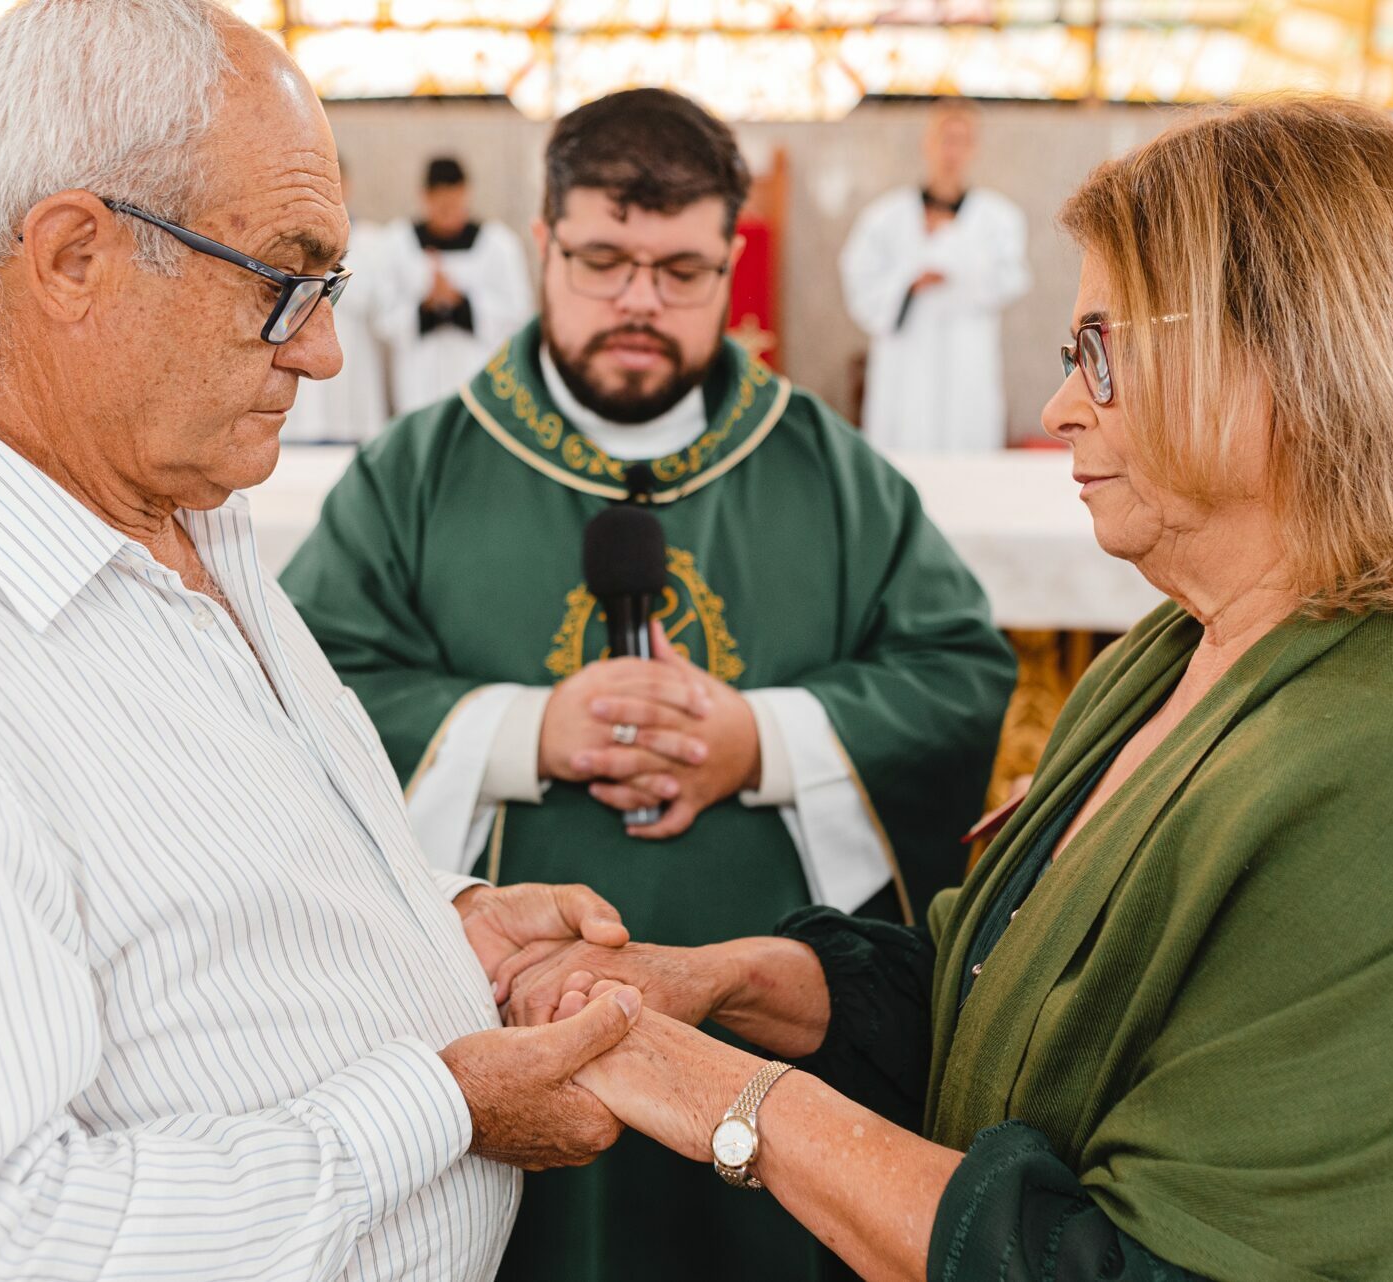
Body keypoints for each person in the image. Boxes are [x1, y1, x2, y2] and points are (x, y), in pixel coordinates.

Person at [502, 98, 1393, 1281]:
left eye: (1102, 349)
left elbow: (1128, 1264)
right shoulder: (1183, 649)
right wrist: (721, 980)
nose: (1060, 409)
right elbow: (998, 992)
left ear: (1297, 360)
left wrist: (721, 1097)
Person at [0, 3, 646, 1278]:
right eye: (283, 280)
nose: (323, 350)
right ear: (73, 258)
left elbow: (203, 898)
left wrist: (441, 926)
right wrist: (443, 1105)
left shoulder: (186, 513)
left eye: (330, 288)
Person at [282, 87, 1015, 1282]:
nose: (639, 301)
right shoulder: (421, 469)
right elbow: (296, 698)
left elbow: (957, 672)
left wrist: (761, 740)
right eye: (603, 261)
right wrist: (524, 731)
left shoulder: (826, 469)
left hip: (775, 1051)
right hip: (493, 1028)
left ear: (731, 262)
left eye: (681, 271)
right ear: (543, 244)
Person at [840, 102, 1030, 452]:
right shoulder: (885, 217)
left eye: (962, 141)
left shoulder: (998, 219)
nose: (951, 151)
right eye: (945, 139)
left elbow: (1011, 279)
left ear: (974, 148)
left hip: (967, 352)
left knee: (966, 446)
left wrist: (960, 266)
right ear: (927, 144)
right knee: (906, 441)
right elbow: (859, 279)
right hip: (907, 357)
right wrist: (908, 283)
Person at [375, 156, 531, 414]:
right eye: (441, 207)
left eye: (455, 205)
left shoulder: (498, 244)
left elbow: (518, 313)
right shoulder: (398, 244)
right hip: (418, 382)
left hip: (478, 374)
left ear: (466, 193)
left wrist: (461, 303)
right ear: (425, 197)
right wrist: (426, 305)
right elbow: (383, 319)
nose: (448, 215)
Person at [282, 213, 390, 443]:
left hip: (353, 371)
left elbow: (384, 308)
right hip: (301, 392)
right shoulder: (288, 235)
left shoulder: (370, 241)